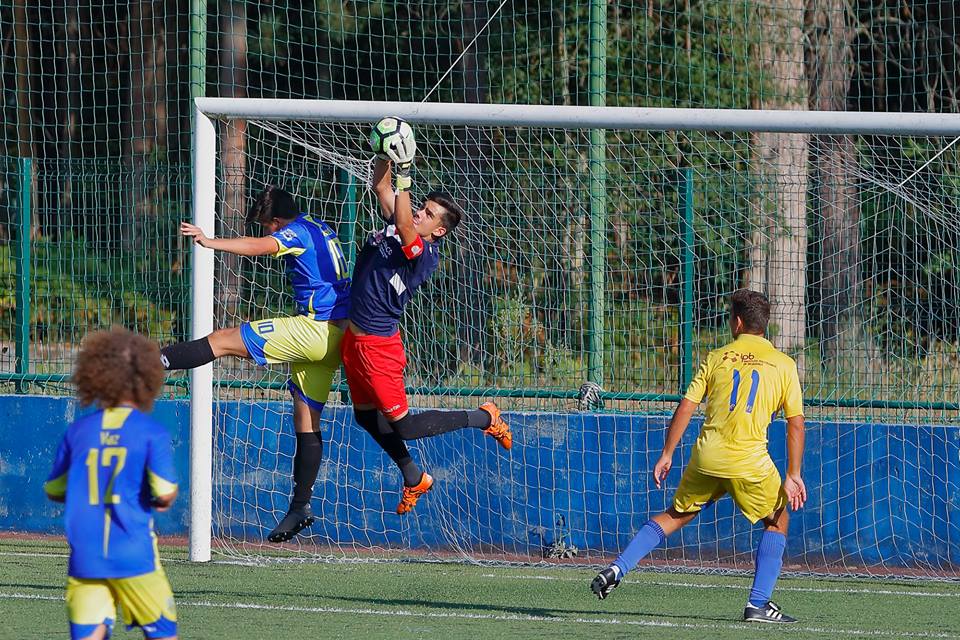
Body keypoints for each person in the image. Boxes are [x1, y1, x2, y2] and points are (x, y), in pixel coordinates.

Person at [590, 289, 807, 624]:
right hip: (750, 461)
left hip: (707, 456)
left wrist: (666, 453)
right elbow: (795, 423)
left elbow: (687, 406)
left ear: (736, 322)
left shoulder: (717, 356)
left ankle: (617, 567)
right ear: (765, 324)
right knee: (777, 521)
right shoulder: (784, 364)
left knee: (674, 515)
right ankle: (758, 604)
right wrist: (793, 473)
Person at [342, 119, 513, 515]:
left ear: (437, 232)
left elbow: (403, 222)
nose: (420, 213)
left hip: (379, 347)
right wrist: (386, 155)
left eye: (429, 213)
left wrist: (404, 170)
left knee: (404, 427)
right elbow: (381, 188)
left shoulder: (424, 254)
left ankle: (482, 416)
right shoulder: (399, 224)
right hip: (355, 342)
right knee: (366, 418)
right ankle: (415, 477)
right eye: (422, 207)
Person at [161, 186, 350, 542]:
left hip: (313, 329)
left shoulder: (294, 231)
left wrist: (209, 241)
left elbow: (260, 246)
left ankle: (150, 363)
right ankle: (300, 506)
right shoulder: (320, 225)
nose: (268, 232)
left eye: (267, 226)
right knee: (306, 422)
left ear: (277, 221)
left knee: (221, 340)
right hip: (335, 341)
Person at [44, 328, 179, 640]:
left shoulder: (77, 432)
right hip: (135, 556)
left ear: (94, 374)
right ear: (147, 377)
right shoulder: (151, 433)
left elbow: (54, 490)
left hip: (85, 558)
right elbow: (165, 493)